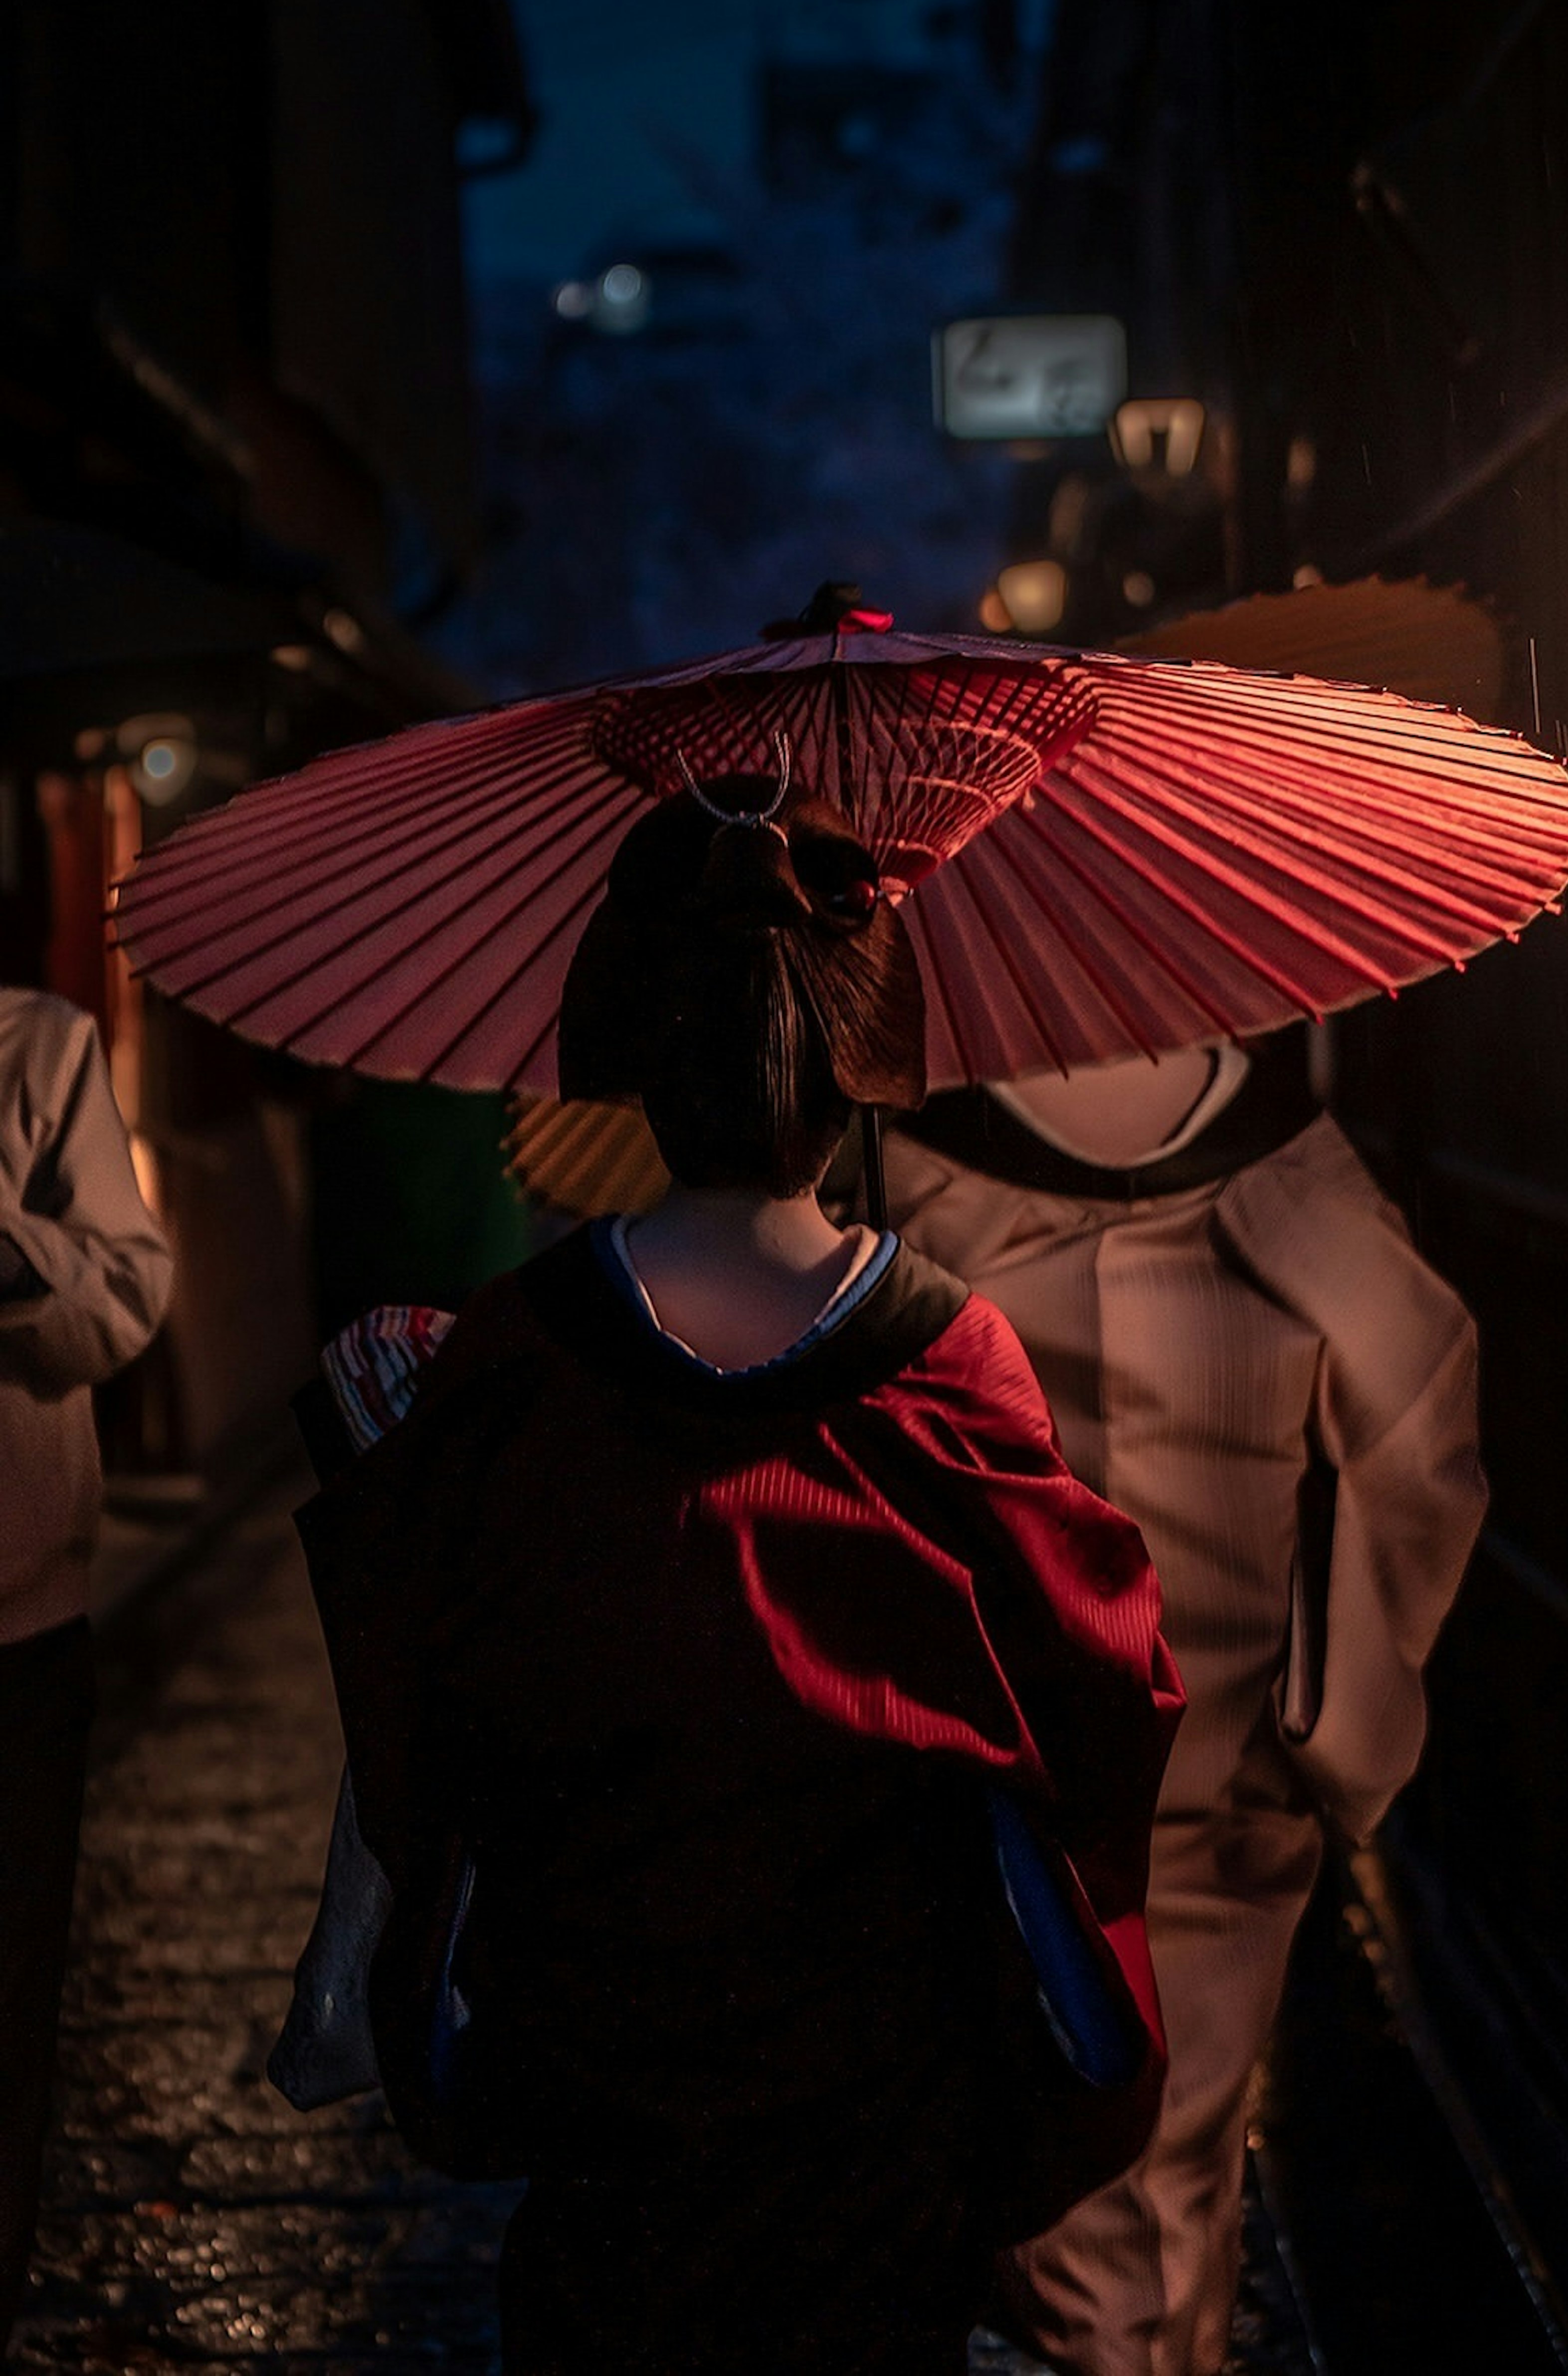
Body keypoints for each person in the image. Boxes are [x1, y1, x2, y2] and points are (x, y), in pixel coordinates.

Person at [292, 775, 1183, 2376]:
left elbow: (420, 1682)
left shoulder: (517, 1354)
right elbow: (1099, 1678)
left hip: (598, 2075)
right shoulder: (948, 1354)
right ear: (860, 1082)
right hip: (879, 2100)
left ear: (637, 1065)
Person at [885, 1028, 1488, 2376]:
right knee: (1187, 2151)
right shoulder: (1290, 1173)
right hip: (1220, 1759)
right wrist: (1340, 1725)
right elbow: (1421, 1438)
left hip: (1009, 1761)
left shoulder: (921, 1167)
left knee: (1057, 2149)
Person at [0, 986, 173, 2351]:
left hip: (19, 1621)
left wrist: (4, 1246)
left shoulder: (39, 1050)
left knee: (11, 2007)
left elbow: (123, 1299)